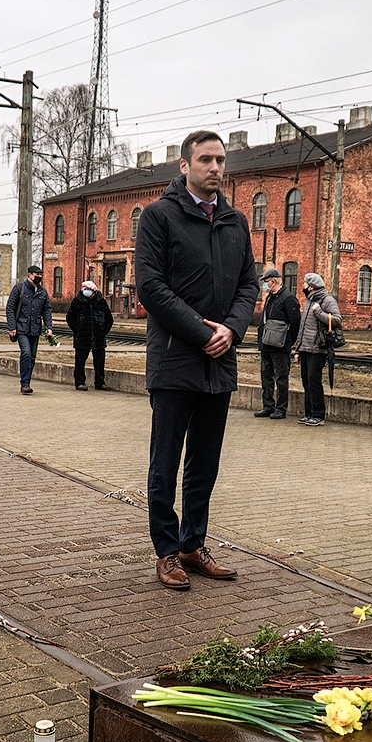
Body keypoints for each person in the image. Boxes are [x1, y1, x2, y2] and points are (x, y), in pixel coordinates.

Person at [136, 130, 258, 590]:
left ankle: (193, 544)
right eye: (205, 159)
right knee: (165, 464)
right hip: (174, 363)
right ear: (184, 166)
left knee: (204, 464)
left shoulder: (234, 221)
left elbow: (249, 284)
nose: (215, 168)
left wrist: (232, 328)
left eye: (220, 160)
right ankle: (166, 552)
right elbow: (151, 286)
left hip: (219, 364)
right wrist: (200, 331)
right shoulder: (159, 217)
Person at [292, 272, 341, 427]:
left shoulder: (327, 300)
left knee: (314, 381)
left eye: (305, 284)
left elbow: (337, 320)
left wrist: (319, 312)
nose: (303, 287)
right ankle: (309, 413)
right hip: (306, 348)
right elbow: (303, 327)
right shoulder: (308, 301)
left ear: (311, 286)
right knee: (306, 381)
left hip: (318, 349)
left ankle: (318, 414)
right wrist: (298, 349)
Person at [254, 266, 300, 420]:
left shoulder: (288, 298)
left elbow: (295, 323)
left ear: (273, 281)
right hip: (266, 344)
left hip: (280, 346)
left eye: (266, 282)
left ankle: (281, 408)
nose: (264, 286)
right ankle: (268, 406)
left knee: (281, 377)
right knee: (266, 376)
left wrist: (289, 342)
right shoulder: (270, 297)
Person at [5, 264, 53, 395]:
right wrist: (12, 327)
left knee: (32, 357)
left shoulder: (42, 291)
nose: (39, 277)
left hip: (35, 329)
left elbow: (47, 310)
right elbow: (10, 308)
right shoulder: (19, 288)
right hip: (21, 328)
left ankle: (27, 381)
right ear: (29, 275)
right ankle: (24, 384)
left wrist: (49, 327)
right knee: (25, 353)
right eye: (37, 275)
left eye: (41, 275)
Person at [66, 280, 114, 390]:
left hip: (98, 336)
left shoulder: (101, 302)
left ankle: (100, 382)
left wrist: (103, 331)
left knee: (99, 361)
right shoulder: (77, 301)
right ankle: (80, 382)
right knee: (80, 361)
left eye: (89, 290)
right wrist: (77, 329)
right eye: (85, 289)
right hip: (82, 336)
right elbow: (70, 317)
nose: (86, 291)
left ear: (94, 291)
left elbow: (109, 319)